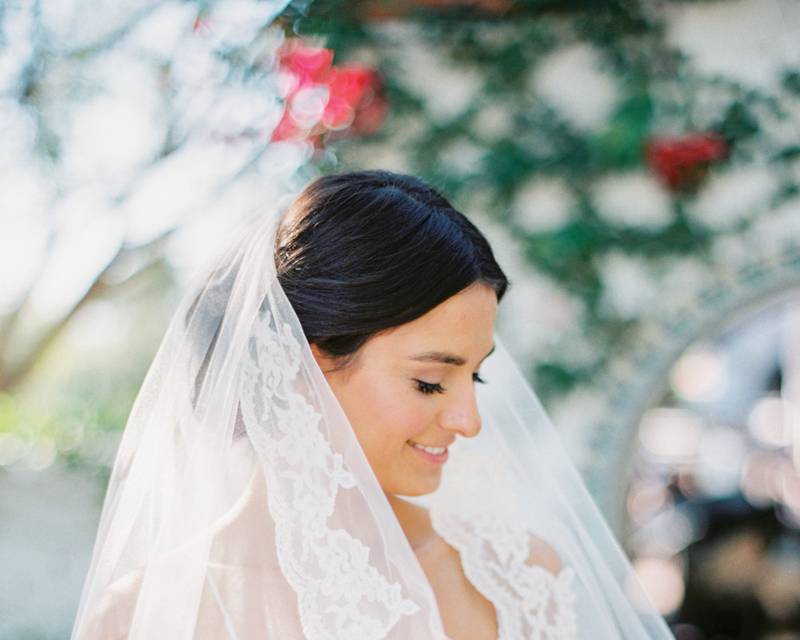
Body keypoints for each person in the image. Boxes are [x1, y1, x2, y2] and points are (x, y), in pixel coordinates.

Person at [71, 170, 674, 639]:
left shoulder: (519, 581)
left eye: (476, 379)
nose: (470, 421)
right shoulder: (144, 617)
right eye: (432, 382)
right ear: (301, 372)